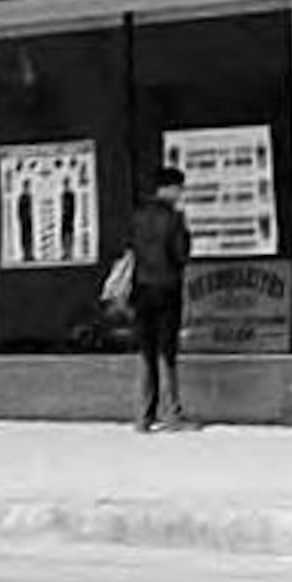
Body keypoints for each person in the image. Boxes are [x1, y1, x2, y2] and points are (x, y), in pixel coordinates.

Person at [126, 173, 193, 431]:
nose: (181, 193)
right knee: (167, 352)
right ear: (169, 188)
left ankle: (143, 416)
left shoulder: (137, 216)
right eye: (179, 188)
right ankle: (172, 414)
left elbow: (131, 249)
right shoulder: (174, 218)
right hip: (166, 288)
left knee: (146, 352)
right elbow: (181, 254)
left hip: (141, 289)